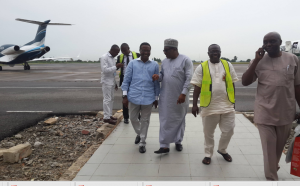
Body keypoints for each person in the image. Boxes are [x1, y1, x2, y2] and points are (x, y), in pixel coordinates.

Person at [242, 32, 300, 181]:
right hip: (264, 111)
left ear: (280, 42)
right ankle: (271, 177)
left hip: (286, 111)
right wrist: (256, 60)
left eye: (272, 41)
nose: (268, 45)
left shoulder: (292, 59)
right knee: (269, 149)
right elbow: (245, 82)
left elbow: (297, 86)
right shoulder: (258, 61)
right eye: (265, 42)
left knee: (278, 148)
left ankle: (273, 166)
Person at [190, 44, 238, 165]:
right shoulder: (202, 67)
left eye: (217, 51)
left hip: (227, 105)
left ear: (220, 52)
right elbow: (197, 87)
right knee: (208, 133)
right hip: (209, 106)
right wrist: (195, 105)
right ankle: (208, 154)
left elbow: (232, 84)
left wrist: (233, 101)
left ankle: (222, 149)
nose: (215, 53)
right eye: (212, 52)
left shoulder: (228, 65)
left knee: (229, 130)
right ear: (208, 53)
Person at [152, 38, 193, 154]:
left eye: (166, 50)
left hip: (180, 97)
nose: (164, 52)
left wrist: (183, 93)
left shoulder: (185, 60)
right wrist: (157, 77)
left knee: (179, 119)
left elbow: (189, 78)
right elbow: (163, 75)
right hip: (166, 96)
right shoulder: (164, 61)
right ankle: (164, 145)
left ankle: (178, 141)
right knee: (164, 120)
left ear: (174, 49)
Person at [121, 42, 160, 153]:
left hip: (148, 96)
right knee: (133, 118)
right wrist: (124, 96)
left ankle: (142, 142)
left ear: (150, 51)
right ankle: (139, 133)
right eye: (143, 50)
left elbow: (156, 83)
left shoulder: (154, 64)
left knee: (145, 120)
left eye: (148, 50)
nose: (146, 52)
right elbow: (126, 80)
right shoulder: (132, 63)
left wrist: (156, 98)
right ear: (140, 50)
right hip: (134, 96)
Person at [116, 43, 140, 124]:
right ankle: (126, 117)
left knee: (136, 98)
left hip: (135, 80)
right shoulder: (120, 57)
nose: (123, 52)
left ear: (128, 48)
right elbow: (116, 66)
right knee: (125, 98)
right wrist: (118, 65)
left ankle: (138, 116)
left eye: (125, 50)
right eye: (122, 51)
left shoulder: (137, 55)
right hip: (124, 80)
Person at [100, 45, 123, 125]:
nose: (117, 54)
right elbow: (104, 70)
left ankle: (109, 115)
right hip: (106, 81)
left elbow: (113, 72)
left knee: (111, 99)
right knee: (107, 99)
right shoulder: (104, 57)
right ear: (112, 50)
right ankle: (106, 118)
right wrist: (116, 66)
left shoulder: (113, 58)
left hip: (111, 81)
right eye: (116, 52)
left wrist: (115, 82)